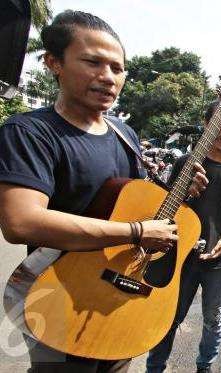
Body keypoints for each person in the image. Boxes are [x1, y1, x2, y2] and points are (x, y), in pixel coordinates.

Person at [0, 10, 208, 372]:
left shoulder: (123, 135)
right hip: (60, 295)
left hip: (120, 291)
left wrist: (176, 193)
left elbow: (131, 203)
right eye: (93, 62)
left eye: (117, 68)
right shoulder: (30, 133)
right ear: (54, 63)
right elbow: (21, 222)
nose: (108, 77)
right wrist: (138, 232)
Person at [146, 102, 221, 373]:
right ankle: (154, 367)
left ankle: (204, 366)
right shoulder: (187, 164)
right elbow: (167, 204)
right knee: (169, 316)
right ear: (206, 127)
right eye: (218, 127)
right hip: (180, 257)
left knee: (214, 318)